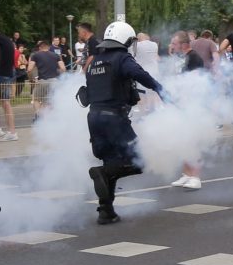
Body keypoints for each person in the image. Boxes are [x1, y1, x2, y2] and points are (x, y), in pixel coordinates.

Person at [86, 22, 165, 225]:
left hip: (94, 118)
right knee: (138, 161)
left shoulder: (95, 61)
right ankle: (102, 174)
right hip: (114, 119)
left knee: (110, 161)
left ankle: (106, 211)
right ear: (125, 41)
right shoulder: (121, 58)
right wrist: (160, 89)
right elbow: (140, 74)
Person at [170, 31, 206, 190]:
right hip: (182, 104)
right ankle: (186, 174)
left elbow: (196, 83)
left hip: (193, 104)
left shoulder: (194, 58)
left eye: (174, 43)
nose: (172, 46)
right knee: (184, 140)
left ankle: (195, 177)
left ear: (184, 45)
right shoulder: (182, 58)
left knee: (194, 141)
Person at [27, 40, 65, 117]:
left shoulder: (35, 55)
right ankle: (49, 118)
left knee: (36, 99)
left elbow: (29, 69)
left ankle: (38, 115)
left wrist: (32, 79)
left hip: (42, 81)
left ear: (40, 47)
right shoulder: (55, 55)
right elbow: (63, 69)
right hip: (55, 82)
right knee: (51, 101)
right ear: (48, 47)